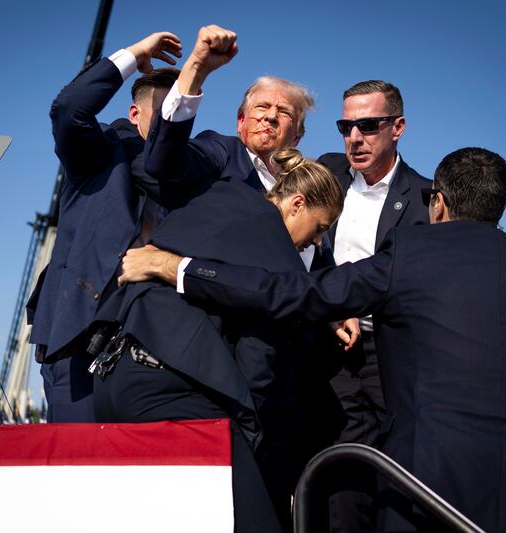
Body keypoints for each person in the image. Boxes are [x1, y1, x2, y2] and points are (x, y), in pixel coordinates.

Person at [119, 147, 506, 532]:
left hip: (436, 497)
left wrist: (177, 266)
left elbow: (291, 294)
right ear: (498, 208)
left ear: (438, 203)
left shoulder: (409, 257)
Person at [90, 148, 343, 532]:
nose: (318, 243)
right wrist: (252, 445)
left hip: (115, 378)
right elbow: (258, 363)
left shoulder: (220, 195)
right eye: (321, 227)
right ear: (297, 203)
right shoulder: (278, 255)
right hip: (173, 395)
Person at [25, 32, 182, 423]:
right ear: (135, 115)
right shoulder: (99, 153)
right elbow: (68, 110)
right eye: (163, 111)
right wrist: (133, 55)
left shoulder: (191, 173)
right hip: (80, 347)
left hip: (155, 352)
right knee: (80, 467)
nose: (171, 122)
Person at [314, 80, 431, 532]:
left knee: (400, 476)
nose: (354, 138)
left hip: (395, 356)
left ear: (397, 127)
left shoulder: (426, 199)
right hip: (329, 353)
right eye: (346, 126)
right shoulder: (324, 174)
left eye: (368, 125)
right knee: (340, 481)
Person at [142, 25, 317, 267]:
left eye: (284, 112)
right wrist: (196, 71)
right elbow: (163, 163)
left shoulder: (308, 190)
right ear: (240, 121)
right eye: (262, 107)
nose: (271, 117)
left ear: (297, 137)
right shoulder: (221, 152)